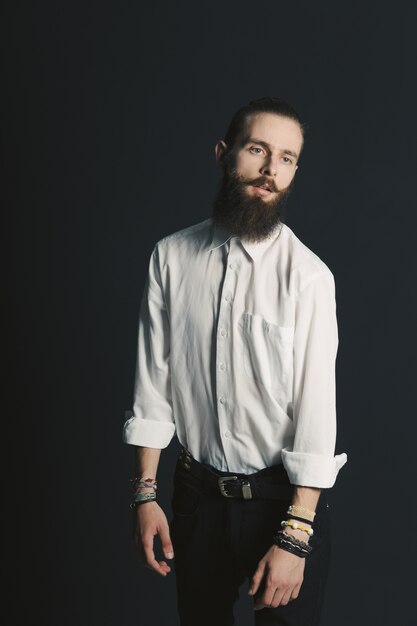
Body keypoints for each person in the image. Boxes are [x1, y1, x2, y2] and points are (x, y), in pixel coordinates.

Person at [123, 96, 347, 626]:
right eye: (258, 150)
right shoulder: (171, 258)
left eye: (288, 159)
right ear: (224, 154)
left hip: (283, 506)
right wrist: (145, 496)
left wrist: (295, 537)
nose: (272, 171)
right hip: (195, 499)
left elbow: (316, 418)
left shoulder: (309, 278)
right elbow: (152, 386)